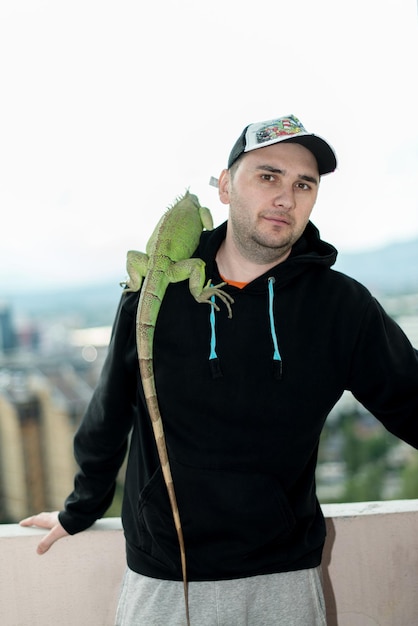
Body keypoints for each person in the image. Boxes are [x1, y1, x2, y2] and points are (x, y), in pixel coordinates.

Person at [21, 114, 418, 625]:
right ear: (227, 187)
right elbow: (110, 410)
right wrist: (79, 509)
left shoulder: (342, 306)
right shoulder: (151, 297)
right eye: (267, 176)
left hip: (284, 579)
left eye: (304, 184)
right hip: (165, 578)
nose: (285, 198)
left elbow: (410, 400)